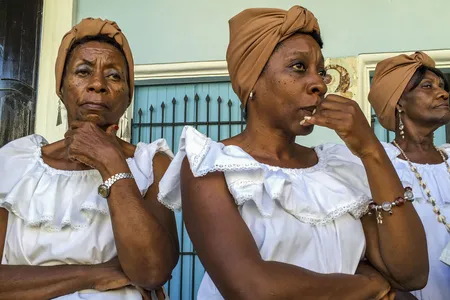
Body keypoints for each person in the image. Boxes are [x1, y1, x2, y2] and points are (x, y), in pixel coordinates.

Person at [158, 6, 428, 300]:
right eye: (299, 67)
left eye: (321, 72)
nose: (320, 84)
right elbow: (252, 287)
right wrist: (369, 286)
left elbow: (411, 272)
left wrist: (371, 150)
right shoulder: (211, 165)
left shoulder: (337, 167)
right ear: (252, 81)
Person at [0, 18, 179, 300]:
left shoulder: (151, 165)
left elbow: (152, 272)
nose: (97, 85)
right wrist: (95, 273)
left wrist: (110, 161)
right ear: (61, 88)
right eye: (83, 72)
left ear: (128, 95)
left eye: (114, 76)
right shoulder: (17, 164)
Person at [369, 51, 450, 299]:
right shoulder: (379, 164)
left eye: (442, 87)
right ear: (399, 102)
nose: (444, 93)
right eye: (428, 86)